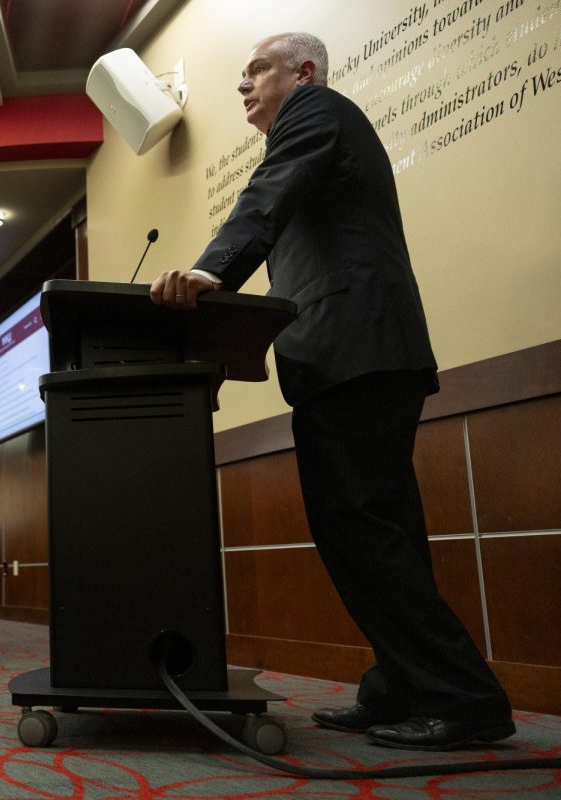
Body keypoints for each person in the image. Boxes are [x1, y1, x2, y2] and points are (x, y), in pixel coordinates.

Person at [149, 32, 512, 751]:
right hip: (344, 357)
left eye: (257, 70)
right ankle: (403, 684)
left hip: (360, 352)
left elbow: (267, 195)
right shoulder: (312, 135)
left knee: (365, 530)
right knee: (375, 533)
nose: (245, 86)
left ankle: (463, 697)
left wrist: (213, 269)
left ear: (303, 71)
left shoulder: (316, 111)